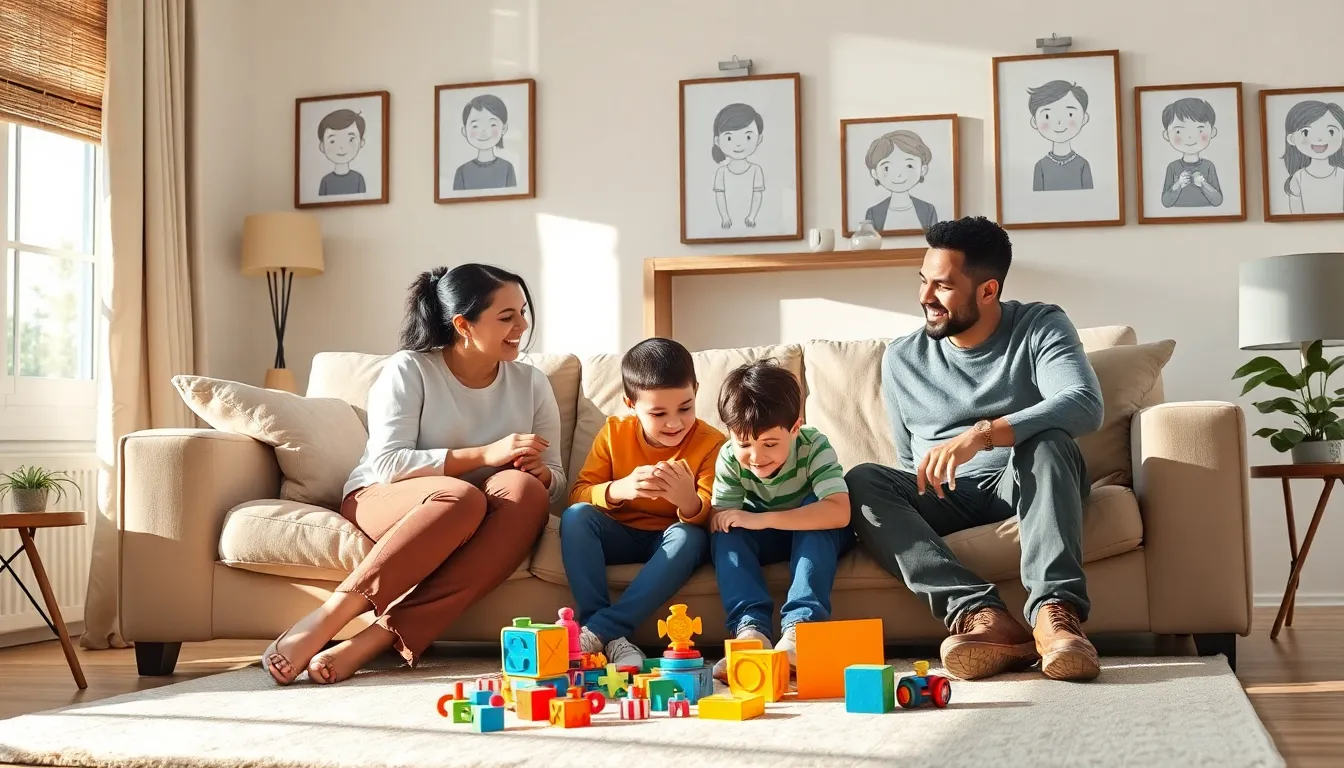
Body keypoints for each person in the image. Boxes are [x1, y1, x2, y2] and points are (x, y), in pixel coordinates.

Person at [262, 263, 563, 685]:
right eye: (507, 316)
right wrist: (485, 453)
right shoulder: (411, 369)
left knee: (525, 491)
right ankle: (330, 617)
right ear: (463, 325)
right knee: (461, 497)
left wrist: (542, 476)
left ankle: (377, 639)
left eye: (523, 313)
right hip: (384, 497)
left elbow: (556, 477)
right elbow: (388, 463)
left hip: (479, 508)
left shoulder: (532, 382)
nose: (521, 326)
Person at [845, 216, 1105, 682]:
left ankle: (1055, 617)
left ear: (988, 291)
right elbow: (909, 461)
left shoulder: (1039, 326)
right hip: (949, 496)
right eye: (923, 281)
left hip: (1023, 480)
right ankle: (983, 617)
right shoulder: (903, 358)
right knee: (863, 480)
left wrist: (982, 434)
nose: (925, 298)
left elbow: (1083, 404)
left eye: (942, 286)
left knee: (1047, 441)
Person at [561, 338, 726, 668]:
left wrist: (687, 501)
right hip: (618, 534)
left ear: (695, 390)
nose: (675, 423)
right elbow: (579, 493)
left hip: (670, 538)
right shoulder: (614, 433)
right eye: (658, 413)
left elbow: (712, 516)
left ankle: (598, 632)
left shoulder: (711, 443)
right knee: (576, 517)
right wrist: (619, 489)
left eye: (685, 408)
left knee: (689, 537)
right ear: (630, 403)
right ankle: (608, 636)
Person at [708, 360, 853, 679]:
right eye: (744, 444)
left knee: (818, 507)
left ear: (795, 428)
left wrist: (763, 519)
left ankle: (801, 629)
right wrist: (743, 520)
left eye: (770, 444)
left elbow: (839, 511)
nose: (756, 457)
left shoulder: (814, 445)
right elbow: (720, 518)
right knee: (725, 528)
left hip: (815, 534)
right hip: (768, 536)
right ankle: (751, 630)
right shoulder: (730, 458)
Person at [863, 129, 939, 232]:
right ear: (874, 173)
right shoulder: (873, 212)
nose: (898, 175)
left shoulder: (928, 210)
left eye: (909, 166)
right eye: (887, 168)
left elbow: (935, 241)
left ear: (923, 169)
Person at [1028, 81, 1094, 191]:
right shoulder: (1040, 166)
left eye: (1070, 114)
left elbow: (1091, 197)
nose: (1059, 122)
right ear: (1034, 122)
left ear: (1084, 118)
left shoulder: (1083, 164)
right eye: (1047, 116)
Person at [1159, 97, 1224, 208]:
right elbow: (1166, 202)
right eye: (1179, 131)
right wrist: (1178, 184)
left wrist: (1203, 184)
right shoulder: (1172, 167)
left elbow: (1218, 200)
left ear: (1212, 132)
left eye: (1199, 130)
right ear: (1167, 135)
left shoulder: (1208, 166)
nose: (1190, 137)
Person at [711, 103, 767, 229]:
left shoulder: (756, 170)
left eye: (748, 136)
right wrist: (725, 217)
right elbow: (720, 196)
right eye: (729, 138)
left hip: (752, 224)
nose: (739, 144)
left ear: (759, 139)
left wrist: (752, 216)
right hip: (726, 225)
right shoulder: (721, 172)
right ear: (717, 141)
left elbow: (757, 195)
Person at [453, 94, 518, 191]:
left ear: (504, 128)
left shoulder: (507, 168)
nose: (484, 131)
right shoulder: (462, 172)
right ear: (464, 131)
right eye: (475, 126)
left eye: (492, 124)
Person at [317, 108, 368, 196]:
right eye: (333, 141)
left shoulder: (358, 179)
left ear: (361, 142)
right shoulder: (325, 181)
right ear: (322, 146)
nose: (341, 147)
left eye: (350, 139)